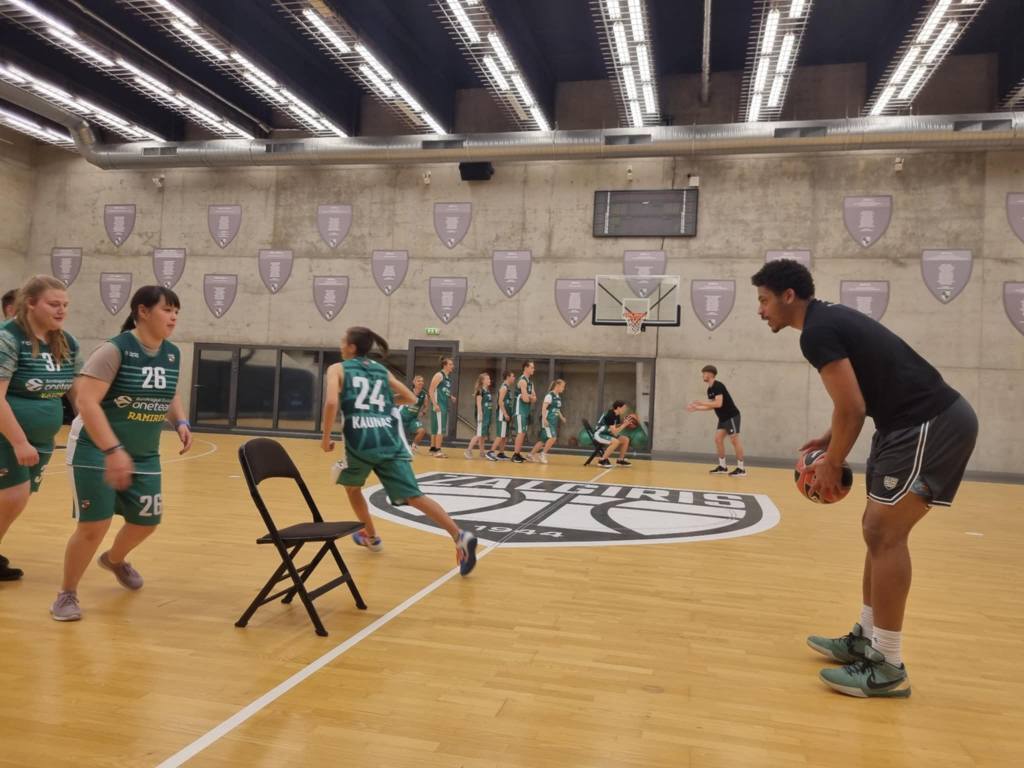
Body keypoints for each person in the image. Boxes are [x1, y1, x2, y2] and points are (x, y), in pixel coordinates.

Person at [751, 259, 977, 699]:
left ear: (788, 296)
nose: (760, 311)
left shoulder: (817, 332)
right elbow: (855, 399)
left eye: (763, 301)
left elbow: (853, 408)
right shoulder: (825, 320)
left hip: (930, 423)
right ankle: (867, 638)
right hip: (903, 424)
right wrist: (828, 438)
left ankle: (888, 666)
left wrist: (832, 462)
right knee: (875, 532)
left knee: (885, 533)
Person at [52, 286, 192, 621]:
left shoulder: (172, 354)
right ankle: (66, 594)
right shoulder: (114, 350)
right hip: (95, 449)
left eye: (176, 311)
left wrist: (181, 421)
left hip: (144, 453)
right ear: (142, 311)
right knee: (94, 525)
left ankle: (114, 560)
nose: (173, 317)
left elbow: (169, 392)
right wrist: (112, 450)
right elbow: (85, 401)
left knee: (147, 521)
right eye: (167, 310)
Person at [321, 327, 477, 575]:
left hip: (360, 440)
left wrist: (326, 437)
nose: (340, 345)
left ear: (351, 347)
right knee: (414, 496)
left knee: (352, 488)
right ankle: (459, 536)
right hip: (389, 438)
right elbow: (410, 397)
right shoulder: (379, 369)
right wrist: (382, 403)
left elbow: (331, 402)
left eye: (343, 341)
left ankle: (372, 537)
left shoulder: (337, 369)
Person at [0, 276, 82, 581]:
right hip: (7, 435)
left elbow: (78, 392)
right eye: (53, 304)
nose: (61, 310)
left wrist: (92, 426)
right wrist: (19, 441)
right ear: (31, 303)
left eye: (65, 305)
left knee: (16, 499)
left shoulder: (66, 341)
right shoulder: (8, 338)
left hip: (42, 438)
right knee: (13, 495)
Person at [686, 365, 746, 476]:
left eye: (704, 373)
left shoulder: (718, 386)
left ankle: (741, 469)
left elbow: (718, 403)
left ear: (710, 374)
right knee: (718, 439)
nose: (702, 376)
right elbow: (712, 406)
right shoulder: (710, 389)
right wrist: (696, 408)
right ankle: (723, 467)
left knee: (734, 440)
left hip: (731, 416)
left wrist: (701, 402)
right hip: (723, 418)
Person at [529, 379, 566, 464]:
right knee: (553, 438)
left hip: (553, 421)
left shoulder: (558, 397)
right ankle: (543, 454)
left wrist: (562, 417)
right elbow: (544, 408)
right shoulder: (549, 396)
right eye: (563, 386)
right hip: (547, 420)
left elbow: (557, 409)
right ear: (557, 386)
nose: (563, 388)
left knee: (543, 440)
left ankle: (530, 455)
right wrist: (544, 419)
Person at [428, 357, 455, 458]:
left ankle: (433, 449)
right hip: (439, 405)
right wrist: (435, 404)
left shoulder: (447, 378)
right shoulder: (439, 375)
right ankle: (438, 451)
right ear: (445, 365)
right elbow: (431, 390)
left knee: (435, 428)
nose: (452, 366)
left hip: (443, 404)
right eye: (450, 364)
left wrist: (450, 396)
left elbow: (443, 390)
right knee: (440, 429)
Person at [593, 400, 634, 468]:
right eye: (623, 408)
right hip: (599, 434)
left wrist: (624, 423)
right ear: (618, 408)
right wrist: (624, 425)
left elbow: (614, 429)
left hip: (607, 433)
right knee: (615, 442)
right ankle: (602, 460)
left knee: (625, 439)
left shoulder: (617, 415)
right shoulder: (610, 415)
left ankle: (620, 460)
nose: (625, 410)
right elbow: (614, 432)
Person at [487, 371, 515, 461]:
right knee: (500, 435)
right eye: (513, 376)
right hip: (502, 415)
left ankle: (501, 453)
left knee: (504, 436)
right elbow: (500, 402)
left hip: (506, 414)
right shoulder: (504, 387)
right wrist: (505, 413)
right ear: (508, 377)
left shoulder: (508, 388)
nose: (514, 378)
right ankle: (490, 452)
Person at [511, 361, 535, 463]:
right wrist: (529, 396)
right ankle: (515, 455)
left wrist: (528, 396)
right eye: (532, 367)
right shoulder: (522, 381)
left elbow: (534, 398)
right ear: (526, 368)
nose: (533, 369)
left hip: (526, 411)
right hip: (519, 410)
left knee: (523, 433)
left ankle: (518, 453)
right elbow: (525, 399)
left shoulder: (530, 382)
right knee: (520, 432)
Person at [465, 372, 492, 460]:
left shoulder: (487, 390)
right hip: (482, 415)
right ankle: (468, 450)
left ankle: (481, 452)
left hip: (487, 415)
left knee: (482, 435)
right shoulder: (480, 391)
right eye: (487, 379)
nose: (489, 380)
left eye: (489, 378)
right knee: (478, 434)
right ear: (483, 381)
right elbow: (479, 404)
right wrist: (480, 415)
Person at [401, 375, 428, 452]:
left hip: (412, 419)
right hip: (402, 417)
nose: (421, 382)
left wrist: (423, 412)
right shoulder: (408, 391)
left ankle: (413, 447)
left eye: (422, 381)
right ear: (414, 382)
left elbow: (426, 406)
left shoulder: (424, 395)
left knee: (422, 431)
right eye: (419, 381)